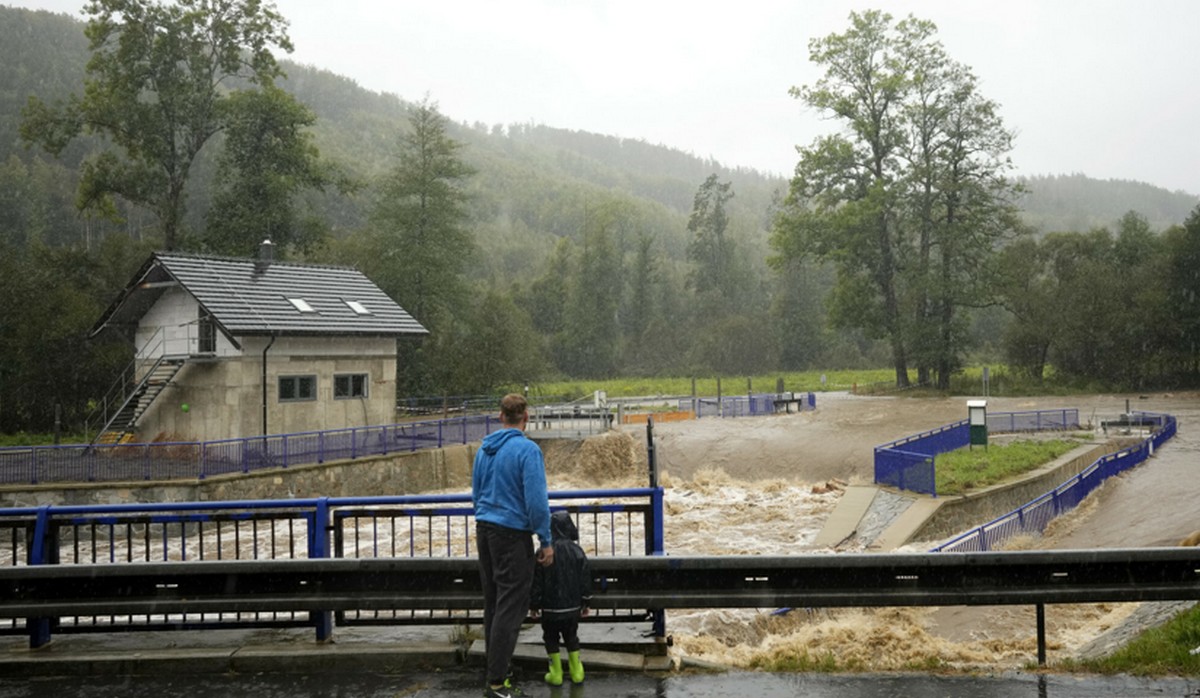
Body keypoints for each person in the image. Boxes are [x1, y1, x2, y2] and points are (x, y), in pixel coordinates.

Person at [472, 393, 554, 698]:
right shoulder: (527, 450)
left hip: (485, 530)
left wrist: (487, 518)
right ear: (526, 417)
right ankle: (496, 683)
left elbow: (477, 493)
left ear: (500, 416)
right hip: (511, 534)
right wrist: (545, 539)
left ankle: (497, 672)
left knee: (493, 603)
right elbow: (536, 501)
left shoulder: (485, 450)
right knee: (511, 606)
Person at [531, 510, 592, 686]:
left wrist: (534, 604)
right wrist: (585, 601)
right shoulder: (577, 551)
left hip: (550, 609)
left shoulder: (543, 552)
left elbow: (537, 583)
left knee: (550, 639)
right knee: (571, 637)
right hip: (572, 608)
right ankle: (577, 671)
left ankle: (555, 673)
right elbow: (584, 579)